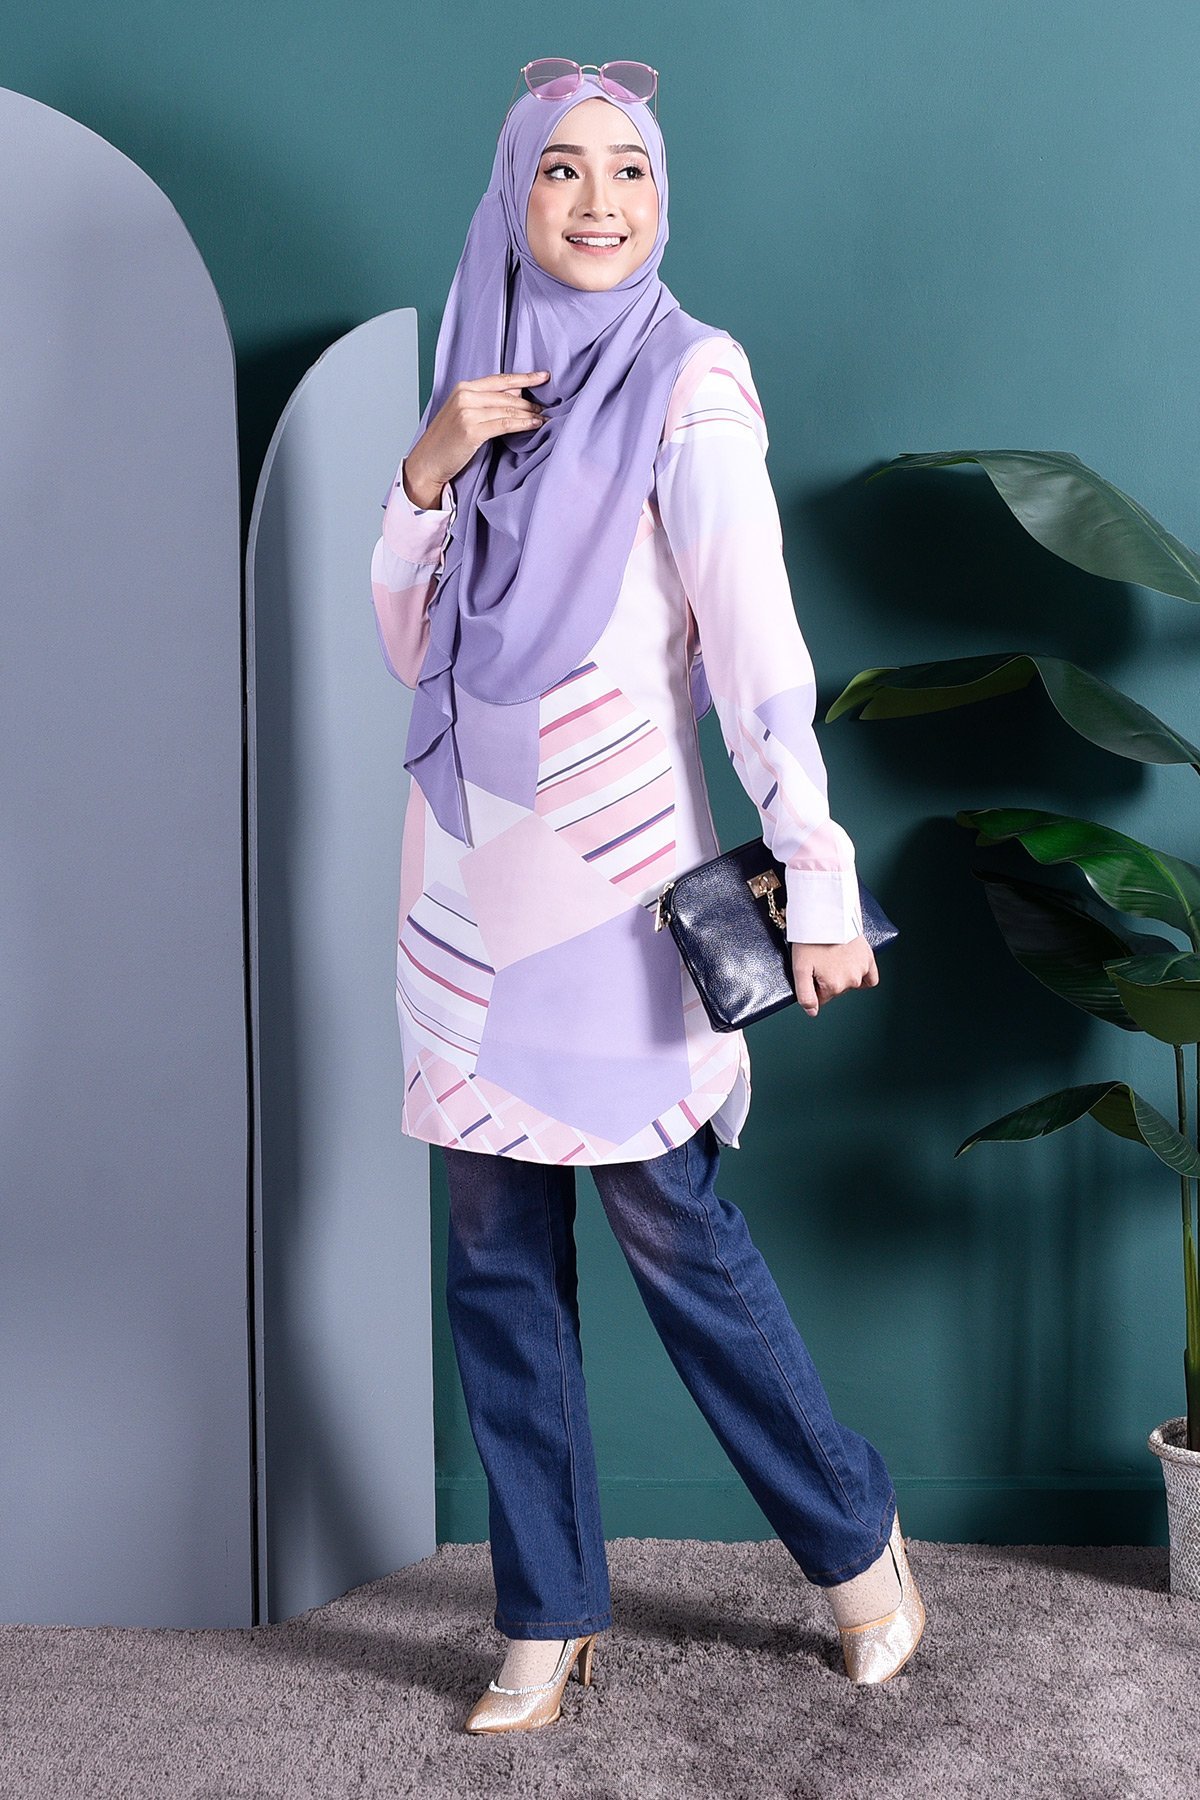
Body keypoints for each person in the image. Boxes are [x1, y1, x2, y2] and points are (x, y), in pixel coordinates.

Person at [370, 58, 926, 1733]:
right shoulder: (482, 377)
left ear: (661, 197)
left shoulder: (693, 382)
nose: (598, 201)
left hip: (615, 895)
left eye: (628, 169)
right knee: (492, 1256)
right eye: (561, 169)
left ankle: (855, 1545)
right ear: (514, 195)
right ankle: (545, 1612)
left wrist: (817, 876)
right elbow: (411, 647)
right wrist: (423, 473)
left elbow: (758, 657)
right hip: (463, 884)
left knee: (673, 1233)